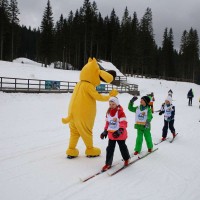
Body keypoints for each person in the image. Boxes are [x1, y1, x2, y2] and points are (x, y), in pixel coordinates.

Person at [100, 97, 130, 171]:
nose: (111, 105)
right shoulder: (108, 112)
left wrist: (119, 131)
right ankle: (108, 163)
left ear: (117, 104)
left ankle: (126, 159)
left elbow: (124, 123)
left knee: (122, 147)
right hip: (111, 135)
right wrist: (105, 131)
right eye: (110, 104)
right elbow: (107, 123)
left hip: (120, 135)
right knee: (110, 149)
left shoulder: (120, 112)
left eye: (113, 104)